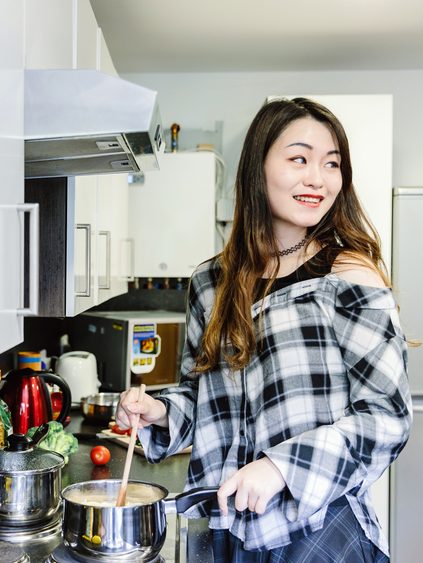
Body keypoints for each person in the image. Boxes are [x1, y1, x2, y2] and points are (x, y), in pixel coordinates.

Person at [116, 97, 412, 562]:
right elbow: (200, 399)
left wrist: (281, 468)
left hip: (318, 529)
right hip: (223, 526)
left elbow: (387, 418)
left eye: (331, 164)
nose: (317, 178)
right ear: (259, 167)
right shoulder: (210, 283)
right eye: (299, 159)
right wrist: (160, 411)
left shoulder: (347, 275)